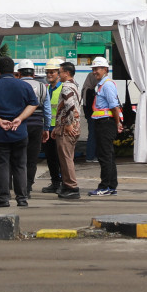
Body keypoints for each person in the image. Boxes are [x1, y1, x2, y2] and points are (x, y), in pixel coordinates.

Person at [0, 56, 38, 207]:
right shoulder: (24, 86)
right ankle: (22, 198)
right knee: (20, 165)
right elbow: (33, 104)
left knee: (1, 165)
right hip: (19, 132)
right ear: (14, 71)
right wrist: (19, 118)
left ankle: (3, 198)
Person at [88, 56, 124, 196]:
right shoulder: (102, 84)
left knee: (105, 156)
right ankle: (111, 186)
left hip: (105, 123)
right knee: (108, 155)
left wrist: (117, 123)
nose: (95, 71)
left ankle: (105, 186)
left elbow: (114, 107)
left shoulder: (107, 85)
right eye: (93, 69)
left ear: (105, 69)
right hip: (103, 122)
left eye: (97, 69)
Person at [16, 59, 51, 198]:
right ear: (34, 73)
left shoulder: (16, 86)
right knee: (32, 158)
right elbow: (47, 110)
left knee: (19, 157)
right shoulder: (43, 87)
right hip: (37, 125)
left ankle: (20, 186)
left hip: (20, 125)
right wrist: (46, 128)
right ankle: (28, 188)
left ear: (19, 73)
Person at [52, 62, 84, 200]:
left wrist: (69, 123)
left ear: (66, 73)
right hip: (67, 126)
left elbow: (70, 105)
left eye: (59, 72)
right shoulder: (74, 85)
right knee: (66, 157)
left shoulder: (66, 87)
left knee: (66, 158)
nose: (58, 75)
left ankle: (71, 186)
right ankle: (67, 185)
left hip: (67, 128)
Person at [39, 57, 65, 193]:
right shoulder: (47, 88)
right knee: (50, 158)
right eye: (48, 72)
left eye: (52, 72)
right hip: (48, 129)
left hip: (59, 129)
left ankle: (62, 182)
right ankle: (55, 182)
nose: (49, 75)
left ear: (59, 73)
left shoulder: (63, 88)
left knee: (61, 158)